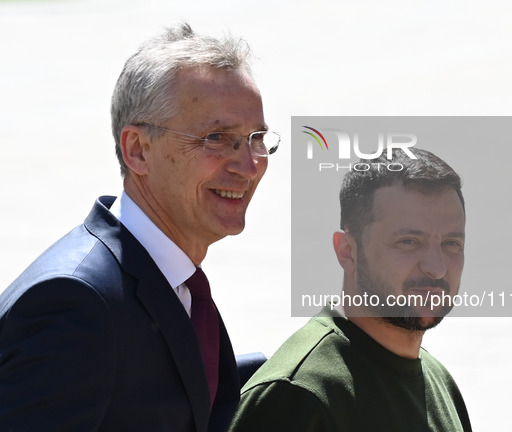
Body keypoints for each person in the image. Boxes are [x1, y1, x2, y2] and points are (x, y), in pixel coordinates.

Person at [0, 22, 280, 432]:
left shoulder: (172, 279)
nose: (249, 165)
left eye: (256, 138)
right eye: (217, 137)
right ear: (137, 150)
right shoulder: (75, 302)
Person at [230, 148, 472, 431]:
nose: (437, 267)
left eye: (452, 244)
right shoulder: (297, 396)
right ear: (347, 251)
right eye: (408, 241)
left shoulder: (439, 383)